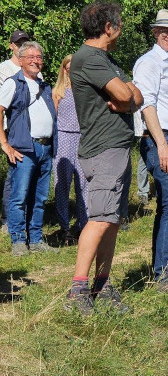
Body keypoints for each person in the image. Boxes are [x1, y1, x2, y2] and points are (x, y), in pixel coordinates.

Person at [65, 2, 143, 314]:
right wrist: (125, 99)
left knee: (112, 220)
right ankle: (78, 290)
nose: (121, 29)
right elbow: (126, 95)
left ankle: (102, 283)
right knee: (99, 219)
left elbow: (137, 96)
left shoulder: (106, 59)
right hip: (103, 148)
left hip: (117, 147)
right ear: (108, 27)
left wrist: (126, 101)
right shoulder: (89, 58)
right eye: (119, 24)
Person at [133, 9, 168, 292]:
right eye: (166, 30)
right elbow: (147, 106)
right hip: (162, 141)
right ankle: (163, 275)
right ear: (155, 32)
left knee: (167, 206)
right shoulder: (149, 63)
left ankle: (161, 269)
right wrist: (163, 144)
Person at [0, 41, 58, 256]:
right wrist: (5, 144)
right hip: (24, 148)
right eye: (31, 57)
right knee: (20, 196)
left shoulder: (44, 86)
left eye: (39, 57)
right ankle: (17, 241)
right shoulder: (13, 84)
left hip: (45, 148)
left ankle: (35, 239)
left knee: (40, 197)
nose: (36, 60)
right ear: (21, 60)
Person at [52, 55, 88, 243]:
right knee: (63, 184)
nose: (71, 70)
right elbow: (53, 118)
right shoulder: (58, 91)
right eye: (68, 67)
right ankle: (64, 227)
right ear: (64, 70)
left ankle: (83, 224)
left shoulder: (84, 90)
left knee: (83, 183)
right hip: (64, 137)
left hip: (82, 138)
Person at [0, 30, 30, 234]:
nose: (21, 46)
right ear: (11, 46)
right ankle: (7, 218)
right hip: (7, 126)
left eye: (25, 42)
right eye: (18, 43)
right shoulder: (4, 69)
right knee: (13, 172)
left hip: (27, 128)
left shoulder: (33, 66)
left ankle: (22, 217)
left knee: (24, 172)